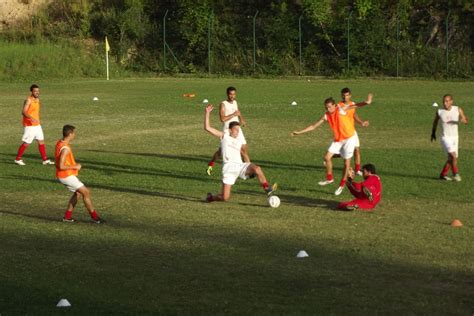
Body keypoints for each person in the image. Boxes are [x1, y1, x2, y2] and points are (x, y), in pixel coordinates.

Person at [291, 94, 373, 195]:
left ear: (335, 105)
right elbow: (313, 126)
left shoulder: (341, 109)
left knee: (347, 164)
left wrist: (367, 102)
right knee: (326, 158)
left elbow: (355, 105)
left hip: (349, 139)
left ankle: (341, 185)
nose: (328, 109)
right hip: (338, 140)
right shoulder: (326, 115)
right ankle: (330, 179)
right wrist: (299, 132)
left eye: (330, 107)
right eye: (326, 107)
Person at [204, 104, 276, 202]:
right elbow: (207, 128)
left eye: (239, 130)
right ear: (230, 130)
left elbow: (244, 154)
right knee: (225, 198)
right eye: (236, 130)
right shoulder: (224, 136)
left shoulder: (239, 141)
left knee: (257, 169)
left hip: (239, 166)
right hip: (228, 168)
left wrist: (250, 168)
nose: (238, 132)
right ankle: (211, 197)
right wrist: (207, 113)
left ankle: (267, 189)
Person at [55, 125, 103, 223]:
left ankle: (67, 217)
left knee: (77, 194)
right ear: (70, 134)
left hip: (65, 175)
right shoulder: (65, 148)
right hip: (66, 176)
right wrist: (75, 166)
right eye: (74, 133)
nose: (74, 135)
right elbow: (61, 166)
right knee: (86, 192)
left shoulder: (60, 142)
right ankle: (95, 218)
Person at [206, 86, 249, 176]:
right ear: (227, 94)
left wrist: (242, 120)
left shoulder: (235, 102)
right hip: (228, 131)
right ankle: (211, 164)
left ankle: (249, 170)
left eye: (233, 94)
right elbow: (222, 119)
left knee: (244, 149)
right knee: (221, 152)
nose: (232, 96)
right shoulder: (223, 104)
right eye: (230, 94)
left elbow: (238, 112)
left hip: (237, 129)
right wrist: (233, 114)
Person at [14, 84, 54, 166]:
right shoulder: (28, 100)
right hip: (30, 125)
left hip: (37, 125)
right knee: (27, 143)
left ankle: (45, 160)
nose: (37, 92)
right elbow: (23, 112)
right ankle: (17, 159)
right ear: (31, 91)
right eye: (35, 91)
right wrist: (31, 118)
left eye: (38, 91)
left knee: (41, 141)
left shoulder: (37, 100)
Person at [431, 94, 468, 181]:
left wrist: (463, 120)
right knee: (453, 156)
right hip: (445, 137)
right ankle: (456, 174)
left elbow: (466, 120)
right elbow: (435, 122)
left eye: (447, 101)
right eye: (444, 101)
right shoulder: (439, 111)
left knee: (451, 158)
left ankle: (443, 175)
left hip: (455, 137)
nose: (445, 103)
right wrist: (433, 133)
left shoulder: (457, 109)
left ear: (451, 101)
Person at [337, 87, 369, 176]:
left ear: (350, 95)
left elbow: (354, 115)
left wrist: (361, 122)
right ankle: (332, 157)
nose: (345, 97)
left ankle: (358, 170)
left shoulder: (352, 104)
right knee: (346, 153)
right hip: (344, 133)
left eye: (347, 95)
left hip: (352, 131)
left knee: (357, 150)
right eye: (343, 96)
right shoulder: (339, 106)